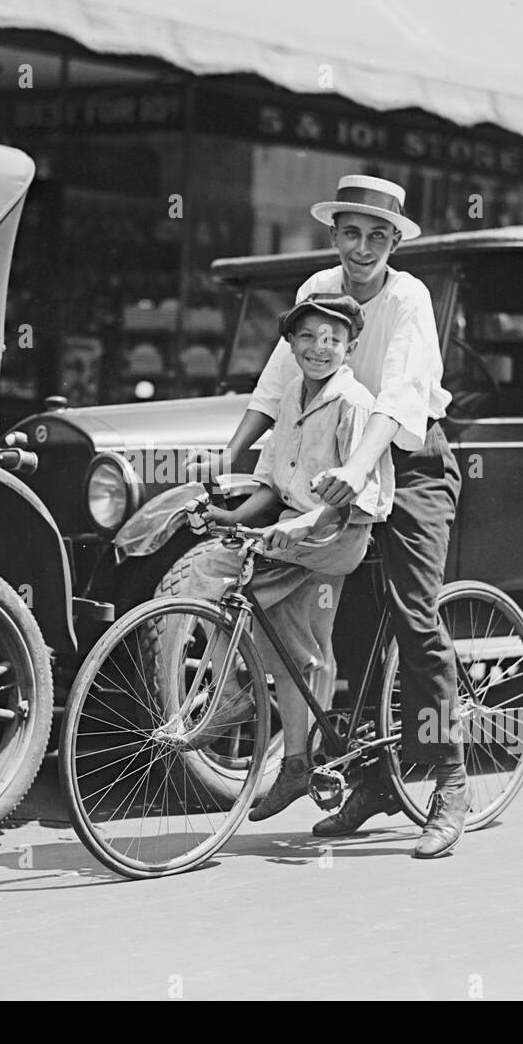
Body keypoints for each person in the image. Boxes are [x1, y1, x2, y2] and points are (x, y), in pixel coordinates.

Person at [212, 174, 467, 859]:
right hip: (340, 457)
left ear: (393, 242)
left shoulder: (407, 297)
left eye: (377, 236)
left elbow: (400, 398)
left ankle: (449, 778)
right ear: (333, 236)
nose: (362, 249)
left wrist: (359, 470)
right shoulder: (317, 289)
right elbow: (281, 375)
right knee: (337, 618)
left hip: (409, 462)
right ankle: (368, 773)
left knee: (414, 617)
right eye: (350, 234)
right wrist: (235, 449)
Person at [169, 293, 393, 821]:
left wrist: (291, 527)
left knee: (244, 583)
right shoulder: (292, 393)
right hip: (295, 530)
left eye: (333, 340)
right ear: (290, 345)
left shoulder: (354, 403)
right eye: (309, 338)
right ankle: (294, 760)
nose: (321, 348)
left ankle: (237, 694)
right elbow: (272, 482)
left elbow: (355, 500)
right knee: (220, 571)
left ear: (351, 347)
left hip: (335, 534)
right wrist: (237, 517)